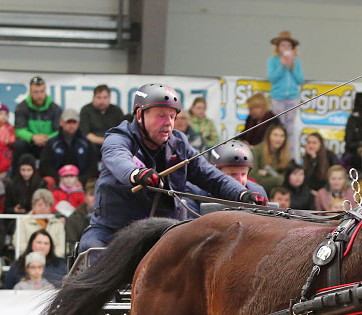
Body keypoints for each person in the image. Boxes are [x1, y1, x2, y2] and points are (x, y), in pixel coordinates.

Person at [80, 83, 262, 251]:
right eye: (161, 116)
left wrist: (242, 194)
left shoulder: (179, 143)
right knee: (89, 249)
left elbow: (212, 176)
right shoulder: (118, 137)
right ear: (139, 115)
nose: (168, 123)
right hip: (113, 230)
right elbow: (118, 158)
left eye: (172, 116)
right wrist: (137, 174)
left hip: (164, 233)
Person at [198, 141, 267, 214]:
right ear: (215, 173)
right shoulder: (196, 194)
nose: (240, 181)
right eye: (233, 174)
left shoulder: (258, 192)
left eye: (243, 174)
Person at [13, 76, 62, 172]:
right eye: (35, 92)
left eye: (42, 91)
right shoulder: (22, 107)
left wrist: (47, 138)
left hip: (47, 143)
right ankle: (16, 177)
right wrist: (33, 137)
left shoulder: (55, 108)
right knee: (19, 144)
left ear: (45, 91)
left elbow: (59, 131)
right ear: (30, 92)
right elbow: (19, 130)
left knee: (59, 144)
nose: (39, 95)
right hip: (30, 143)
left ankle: (55, 176)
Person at [268, 31, 304, 157]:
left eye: (289, 46)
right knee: (278, 128)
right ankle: (277, 156)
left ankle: (291, 156)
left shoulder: (297, 62)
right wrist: (282, 66)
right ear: (277, 47)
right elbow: (272, 78)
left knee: (290, 129)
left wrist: (293, 67)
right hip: (278, 98)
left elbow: (300, 80)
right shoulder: (273, 61)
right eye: (283, 45)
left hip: (292, 98)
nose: (286, 48)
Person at [40, 108, 95, 182]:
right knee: (48, 181)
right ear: (61, 122)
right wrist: (60, 178)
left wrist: (80, 180)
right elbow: (44, 166)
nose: (71, 125)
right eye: (68, 122)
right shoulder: (52, 143)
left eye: (74, 122)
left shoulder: (86, 143)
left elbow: (92, 167)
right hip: (58, 181)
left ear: (78, 123)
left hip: (81, 182)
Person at [19, 189, 65, 258]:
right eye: (39, 205)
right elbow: (20, 245)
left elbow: (61, 249)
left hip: (52, 262)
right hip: (29, 259)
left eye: (46, 205)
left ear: (51, 207)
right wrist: (35, 258)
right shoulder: (23, 221)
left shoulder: (58, 224)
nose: (43, 208)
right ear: (33, 206)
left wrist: (50, 258)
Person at [79, 84, 124, 151]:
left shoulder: (117, 111)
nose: (102, 101)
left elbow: (121, 132)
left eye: (105, 97)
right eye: (99, 97)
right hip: (92, 146)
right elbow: (86, 134)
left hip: (113, 146)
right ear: (94, 97)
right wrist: (103, 141)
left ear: (109, 98)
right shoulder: (86, 110)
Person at [250, 122, 291, 194]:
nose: (279, 139)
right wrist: (271, 175)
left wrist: (265, 173)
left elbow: (285, 179)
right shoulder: (257, 150)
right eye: (275, 135)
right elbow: (252, 175)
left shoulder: (284, 155)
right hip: (256, 188)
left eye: (282, 136)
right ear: (268, 137)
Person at [66, 178, 93, 251]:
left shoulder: (109, 217)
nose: (95, 198)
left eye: (98, 194)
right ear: (85, 197)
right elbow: (71, 245)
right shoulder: (74, 218)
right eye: (91, 194)